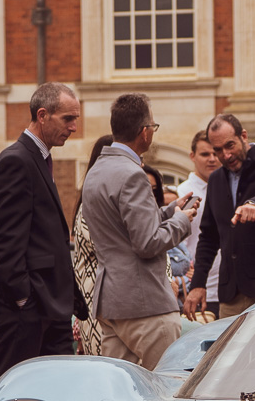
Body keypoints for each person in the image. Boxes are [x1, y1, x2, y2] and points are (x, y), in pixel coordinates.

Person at [81, 93, 195, 369]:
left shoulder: (97, 171)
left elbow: (121, 228)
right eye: (153, 127)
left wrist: (169, 211)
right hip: (146, 304)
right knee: (166, 387)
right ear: (145, 132)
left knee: (119, 392)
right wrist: (182, 220)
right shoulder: (132, 174)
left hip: (111, 302)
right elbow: (147, 243)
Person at [0, 82, 79, 388]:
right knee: (11, 391)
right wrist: (23, 297)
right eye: (67, 119)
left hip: (51, 306)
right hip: (28, 308)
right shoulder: (17, 160)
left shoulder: (38, 159)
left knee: (58, 392)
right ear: (42, 115)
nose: (74, 127)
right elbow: (7, 239)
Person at [183, 114, 255, 319]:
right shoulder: (216, 179)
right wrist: (198, 284)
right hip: (232, 294)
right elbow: (209, 237)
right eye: (218, 150)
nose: (225, 155)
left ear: (243, 136)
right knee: (232, 351)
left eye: (230, 146)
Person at [70, 133, 113, 355]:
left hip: (113, 303)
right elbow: (110, 248)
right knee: (104, 372)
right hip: (97, 303)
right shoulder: (91, 205)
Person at [175, 130, 220, 315]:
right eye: (205, 154)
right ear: (192, 156)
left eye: (215, 153)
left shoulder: (228, 189)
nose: (212, 159)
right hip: (195, 289)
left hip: (226, 289)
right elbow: (176, 245)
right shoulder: (182, 193)